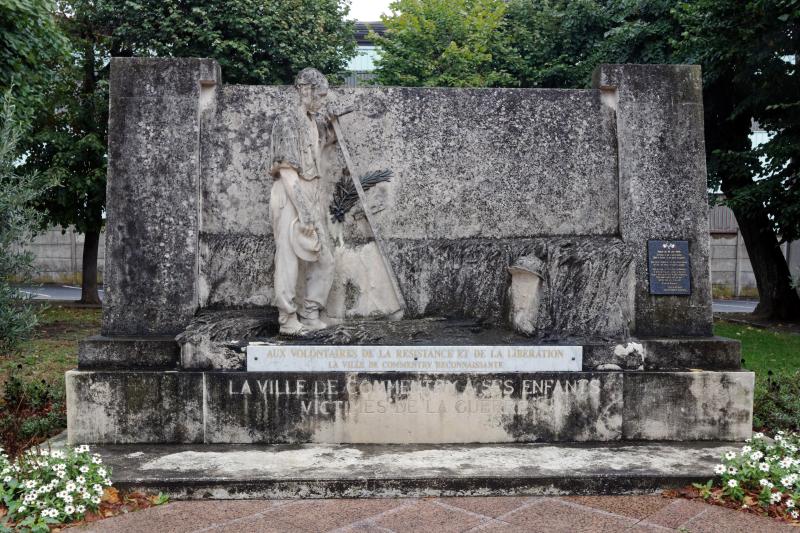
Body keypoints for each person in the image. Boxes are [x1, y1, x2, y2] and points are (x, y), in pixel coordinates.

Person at [269, 68, 336, 335]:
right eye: (319, 95)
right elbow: (287, 171)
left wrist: (330, 129)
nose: (322, 101)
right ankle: (287, 318)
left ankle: (310, 311)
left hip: (311, 193)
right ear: (305, 89)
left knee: (324, 258)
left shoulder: (312, 121)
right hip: (290, 195)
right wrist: (304, 212)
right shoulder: (286, 121)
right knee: (288, 259)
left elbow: (318, 147)